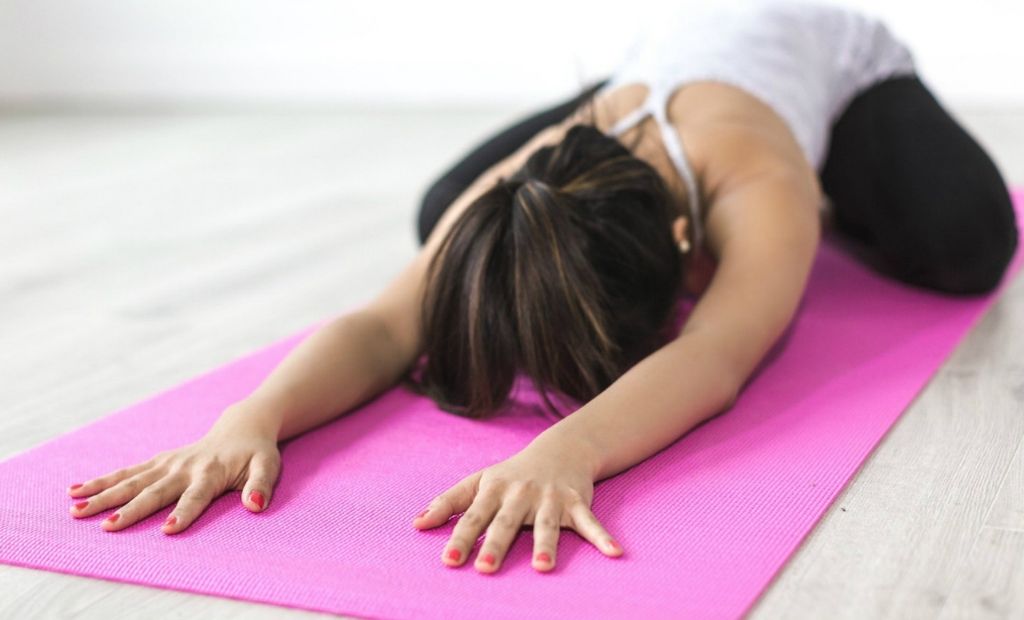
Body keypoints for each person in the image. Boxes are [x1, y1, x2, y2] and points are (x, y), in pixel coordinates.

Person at [66, 0, 1017, 576]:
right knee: (452, 214)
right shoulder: (540, 168)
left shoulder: (761, 186)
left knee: (972, 244)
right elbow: (384, 323)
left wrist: (568, 451)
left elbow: (717, 356)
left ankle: (848, 192)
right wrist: (250, 419)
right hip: (652, 75)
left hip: (829, 63)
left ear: (694, 256)